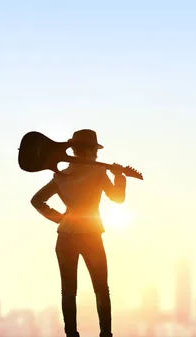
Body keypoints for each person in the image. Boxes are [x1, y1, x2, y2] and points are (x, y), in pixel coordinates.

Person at [30, 129, 126, 337]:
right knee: (101, 289)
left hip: (65, 237)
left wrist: (63, 219)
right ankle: (105, 335)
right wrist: (119, 177)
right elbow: (118, 198)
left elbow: (37, 201)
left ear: (73, 149)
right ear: (92, 151)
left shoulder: (61, 175)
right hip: (91, 235)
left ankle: (71, 334)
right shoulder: (98, 173)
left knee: (68, 290)